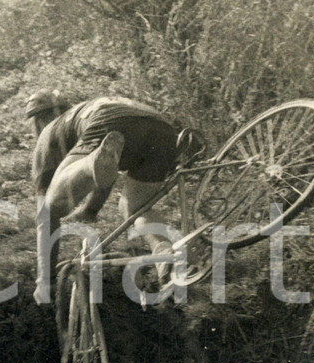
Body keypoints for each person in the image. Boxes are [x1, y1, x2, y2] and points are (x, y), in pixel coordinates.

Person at [25, 89, 201, 305]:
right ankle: (165, 257)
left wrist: (45, 279)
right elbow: (105, 177)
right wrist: (90, 210)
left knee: (53, 203)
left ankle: (89, 163)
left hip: (110, 121)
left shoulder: (51, 130)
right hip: (161, 127)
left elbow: (45, 216)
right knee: (136, 207)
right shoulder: (81, 114)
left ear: (38, 120)